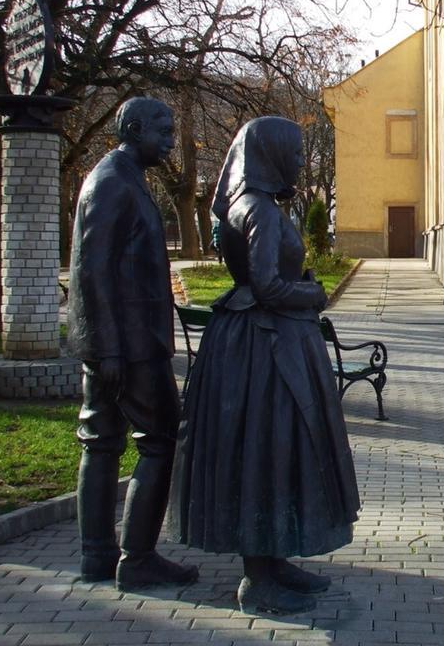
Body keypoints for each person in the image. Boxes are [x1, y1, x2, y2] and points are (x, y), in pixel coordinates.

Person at [169, 117, 360, 615]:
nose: (300, 161)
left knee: (277, 451)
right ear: (269, 152)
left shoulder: (254, 206)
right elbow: (269, 287)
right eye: (294, 152)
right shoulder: (257, 210)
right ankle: (258, 578)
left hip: (263, 343)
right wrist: (314, 293)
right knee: (265, 449)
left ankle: (274, 560)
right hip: (264, 350)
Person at [68, 97, 199, 591]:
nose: (170, 139)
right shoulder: (111, 182)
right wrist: (110, 350)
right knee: (160, 440)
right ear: (135, 128)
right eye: (163, 130)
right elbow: (91, 270)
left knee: (101, 442)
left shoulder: (123, 177)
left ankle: (97, 557)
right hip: (130, 343)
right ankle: (137, 558)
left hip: (116, 341)